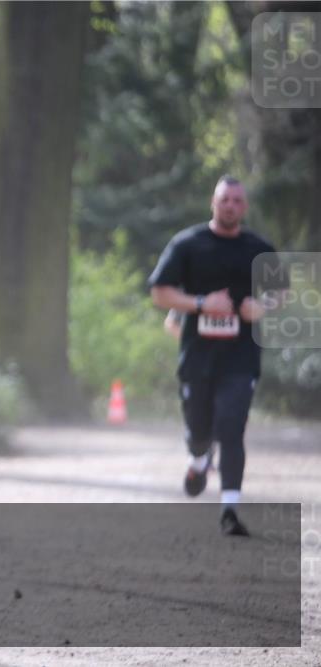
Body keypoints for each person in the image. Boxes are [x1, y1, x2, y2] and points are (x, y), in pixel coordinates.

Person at [149, 175, 284, 537]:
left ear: (245, 207)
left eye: (238, 201)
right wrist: (200, 304)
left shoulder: (258, 248)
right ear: (213, 202)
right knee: (199, 431)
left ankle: (229, 509)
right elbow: (160, 292)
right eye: (225, 199)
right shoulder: (188, 244)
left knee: (232, 427)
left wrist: (263, 307)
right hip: (197, 356)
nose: (231, 206)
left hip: (241, 357)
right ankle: (198, 459)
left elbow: (280, 293)